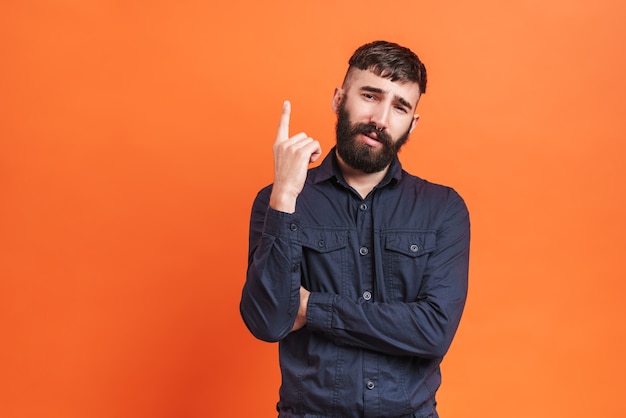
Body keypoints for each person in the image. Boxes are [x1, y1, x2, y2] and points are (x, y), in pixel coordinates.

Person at [240, 40, 470, 418]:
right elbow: (267, 321)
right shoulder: (278, 200)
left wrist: (310, 306)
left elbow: (433, 331)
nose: (381, 118)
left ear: (412, 123)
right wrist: (284, 193)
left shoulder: (442, 209)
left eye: (399, 107)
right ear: (338, 99)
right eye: (370, 95)